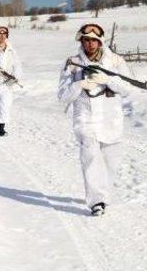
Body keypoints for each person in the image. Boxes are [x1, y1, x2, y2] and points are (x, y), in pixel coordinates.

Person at [58, 23, 133, 216]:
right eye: (86, 40)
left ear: (100, 41)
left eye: (94, 40)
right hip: (86, 119)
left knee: (110, 162)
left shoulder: (115, 61)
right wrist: (79, 84)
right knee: (90, 157)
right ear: (81, 41)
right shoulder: (73, 63)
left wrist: (108, 80)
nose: (90, 44)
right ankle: (96, 201)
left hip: (111, 119)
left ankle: (104, 197)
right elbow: (63, 96)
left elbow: (128, 88)